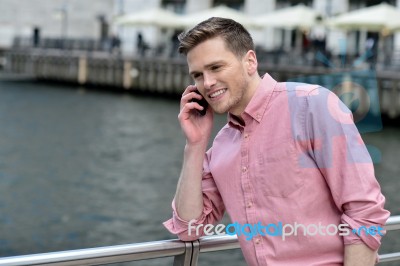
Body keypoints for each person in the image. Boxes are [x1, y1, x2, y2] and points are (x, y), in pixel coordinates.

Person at [163, 17, 390, 266]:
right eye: (197, 75)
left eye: (216, 67)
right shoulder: (220, 146)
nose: (207, 83)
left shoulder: (312, 105)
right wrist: (194, 145)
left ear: (250, 61)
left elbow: (364, 213)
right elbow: (189, 229)